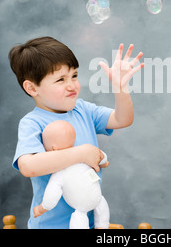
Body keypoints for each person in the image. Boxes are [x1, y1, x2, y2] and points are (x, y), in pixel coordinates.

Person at [9, 36, 143, 228]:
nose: (72, 85)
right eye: (61, 79)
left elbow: (123, 119)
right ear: (32, 88)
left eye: (74, 76)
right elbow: (28, 166)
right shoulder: (32, 123)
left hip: (88, 222)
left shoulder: (83, 110)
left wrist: (120, 87)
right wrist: (81, 153)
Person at [32, 120, 110, 229]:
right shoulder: (84, 155)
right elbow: (100, 155)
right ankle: (102, 226)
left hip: (81, 208)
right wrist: (104, 162)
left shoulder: (59, 171)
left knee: (79, 217)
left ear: (53, 148)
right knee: (101, 208)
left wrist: (42, 208)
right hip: (98, 199)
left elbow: (52, 195)